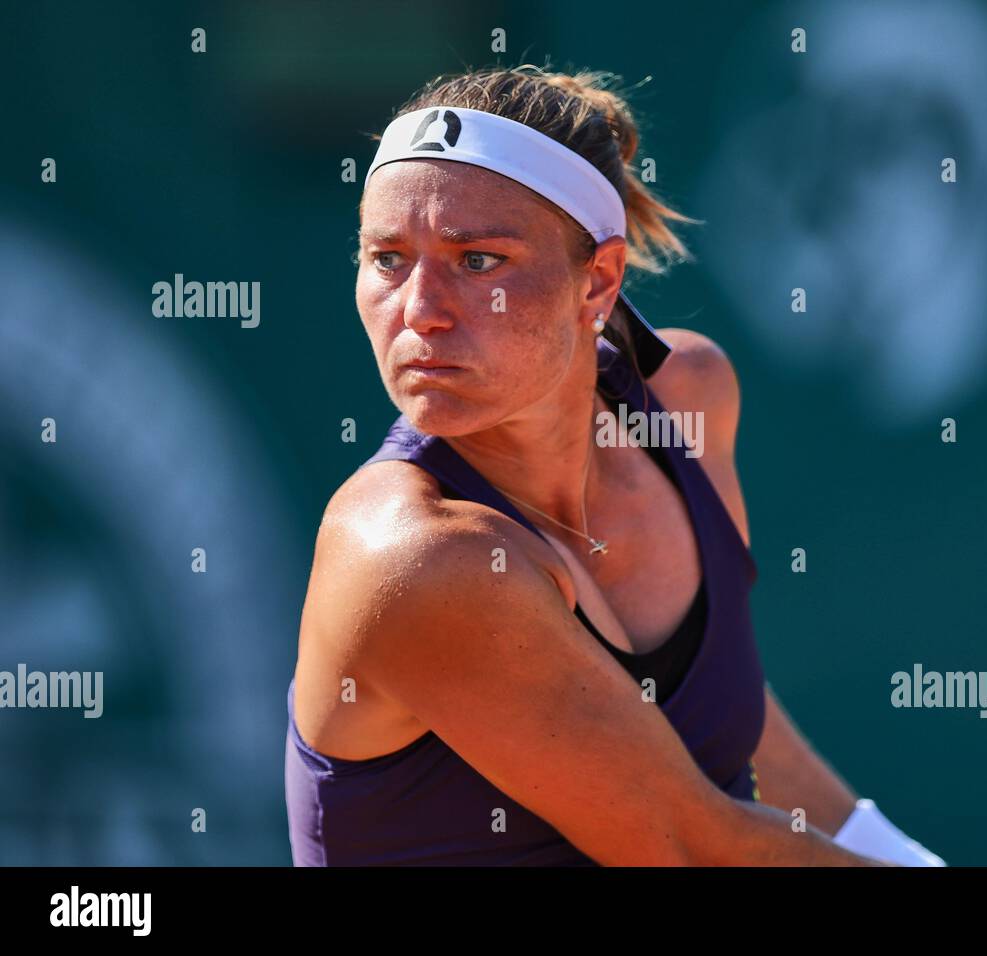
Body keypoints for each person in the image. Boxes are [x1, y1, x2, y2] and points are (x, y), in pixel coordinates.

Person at [285, 64, 945, 866]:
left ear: (597, 280)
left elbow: (729, 724)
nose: (419, 309)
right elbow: (688, 847)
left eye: (478, 261)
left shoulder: (689, 399)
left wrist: (906, 857)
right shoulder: (416, 555)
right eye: (387, 259)